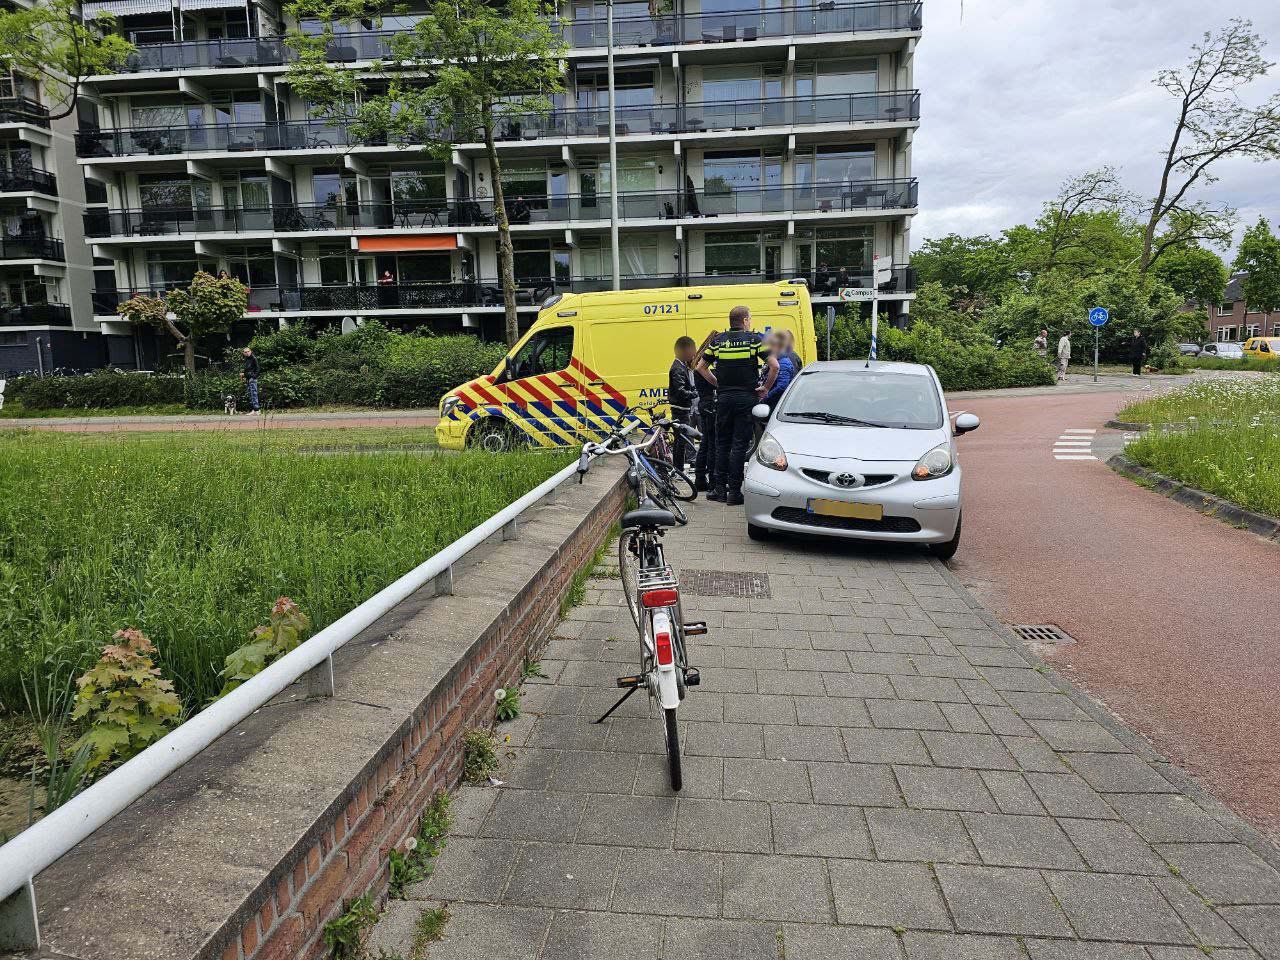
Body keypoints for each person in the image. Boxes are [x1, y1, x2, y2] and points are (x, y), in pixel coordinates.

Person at [696, 305, 779, 506]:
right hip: (746, 399)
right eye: (749, 319)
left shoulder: (718, 342)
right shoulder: (754, 341)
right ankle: (734, 493)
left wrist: (719, 384)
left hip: (723, 400)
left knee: (722, 444)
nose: (750, 322)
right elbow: (775, 366)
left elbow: (700, 367)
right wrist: (766, 388)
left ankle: (718, 490)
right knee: (739, 445)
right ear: (744, 321)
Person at [692, 331, 719, 493]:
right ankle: (711, 479)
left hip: (704, 404)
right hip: (710, 405)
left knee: (705, 443)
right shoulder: (707, 366)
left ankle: (700, 478)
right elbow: (715, 384)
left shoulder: (698, 362)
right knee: (712, 444)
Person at [668, 336, 698, 474]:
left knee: (681, 440)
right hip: (680, 410)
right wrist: (696, 393)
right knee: (680, 441)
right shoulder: (678, 368)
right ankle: (678, 469)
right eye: (692, 350)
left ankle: (678, 469)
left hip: (682, 409)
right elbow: (681, 392)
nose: (694, 353)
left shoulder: (681, 365)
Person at [761, 331, 795, 409]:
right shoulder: (777, 360)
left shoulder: (783, 363)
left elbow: (782, 386)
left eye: (772, 346)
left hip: (776, 405)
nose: (769, 348)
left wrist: (765, 397)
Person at [241, 346, 261, 414]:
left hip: (252, 379)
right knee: (251, 394)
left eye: (248, 351)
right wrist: (244, 375)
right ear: (243, 353)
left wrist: (254, 376)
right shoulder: (246, 359)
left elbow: (258, 369)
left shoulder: (253, 358)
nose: (247, 353)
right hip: (248, 378)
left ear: (251, 351)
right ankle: (254, 409)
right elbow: (248, 370)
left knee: (253, 394)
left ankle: (257, 410)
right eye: (245, 352)